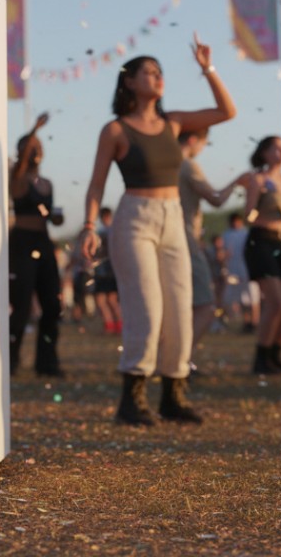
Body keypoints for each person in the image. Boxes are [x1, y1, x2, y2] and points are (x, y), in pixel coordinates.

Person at [80, 35, 236, 426]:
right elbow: (97, 183)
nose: (157, 76)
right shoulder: (115, 130)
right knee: (146, 308)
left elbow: (226, 111)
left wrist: (207, 68)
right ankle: (132, 398)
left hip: (174, 218)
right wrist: (88, 224)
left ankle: (173, 394)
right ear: (129, 81)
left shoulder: (175, 122)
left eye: (160, 71)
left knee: (180, 307)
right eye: (148, 71)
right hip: (135, 218)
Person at [8, 112, 66, 376]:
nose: (36, 151)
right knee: (20, 307)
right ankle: (11, 361)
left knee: (52, 304)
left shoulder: (47, 183)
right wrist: (34, 129)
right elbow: (19, 168)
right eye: (31, 148)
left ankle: (47, 362)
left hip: (43, 244)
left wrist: (56, 217)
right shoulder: (18, 180)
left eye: (39, 147)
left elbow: (50, 216)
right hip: (21, 244)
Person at [241, 137, 281, 375]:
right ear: (264, 153)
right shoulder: (258, 179)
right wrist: (268, 216)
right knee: (275, 302)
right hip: (261, 241)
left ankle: (275, 355)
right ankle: (261, 358)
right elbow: (248, 215)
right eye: (275, 148)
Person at [177, 128, 243, 360]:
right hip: (185, 241)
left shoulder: (164, 165)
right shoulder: (187, 165)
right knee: (205, 305)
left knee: (178, 306)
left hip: (167, 240)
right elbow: (216, 199)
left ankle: (174, 360)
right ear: (193, 139)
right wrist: (237, 182)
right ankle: (178, 362)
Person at [220, 212, 258, 331]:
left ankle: (255, 322)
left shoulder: (246, 234)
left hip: (247, 269)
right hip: (233, 270)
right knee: (241, 299)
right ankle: (246, 322)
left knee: (252, 297)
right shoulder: (226, 235)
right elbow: (223, 253)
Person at [91, 207, 122, 335]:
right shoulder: (116, 230)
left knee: (103, 300)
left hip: (105, 270)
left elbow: (101, 252)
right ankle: (118, 325)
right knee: (112, 300)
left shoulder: (103, 232)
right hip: (113, 270)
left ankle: (112, 325)